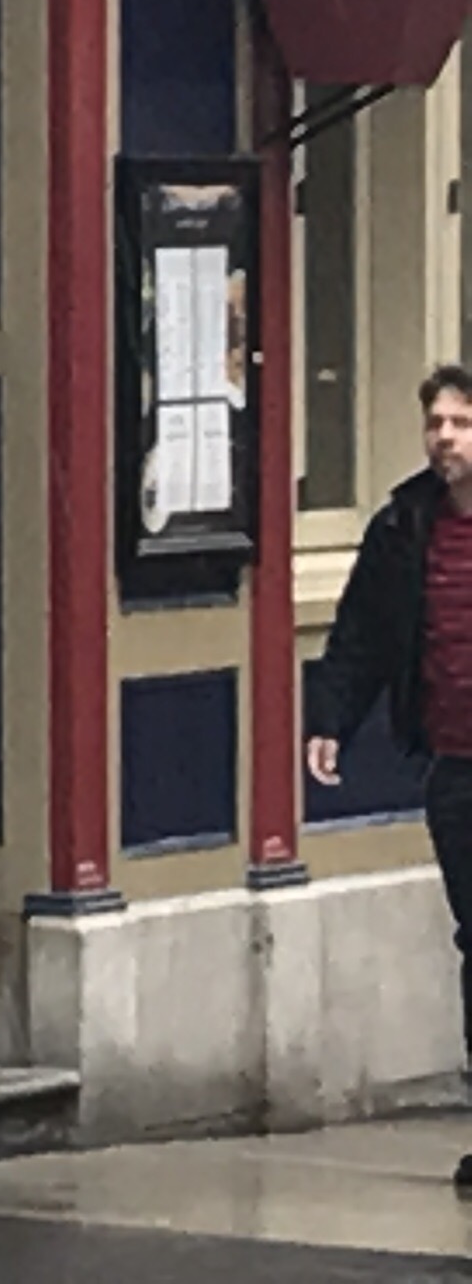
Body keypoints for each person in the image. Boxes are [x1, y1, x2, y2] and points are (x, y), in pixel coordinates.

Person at [307, 361, 472, 1188]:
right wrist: (330, 720)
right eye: (435, 423)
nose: (445, 438)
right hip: (455, 765)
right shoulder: (405, 526)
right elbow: (362, 633)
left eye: (461, 423)